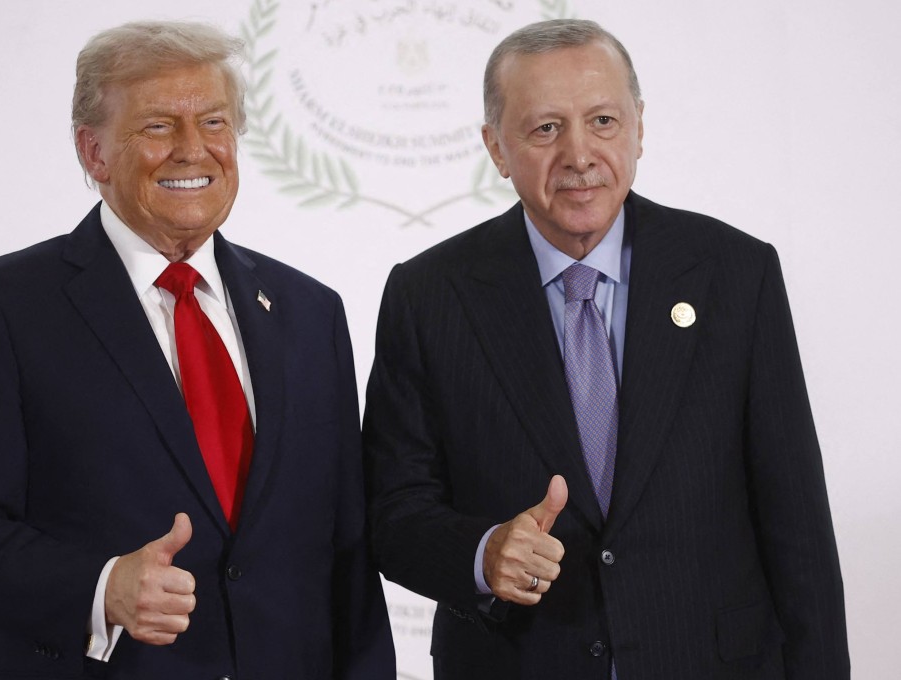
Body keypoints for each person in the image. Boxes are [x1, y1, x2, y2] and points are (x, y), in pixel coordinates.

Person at [0, 20, 394, 680]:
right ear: (95, 152)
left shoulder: (310, 311)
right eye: (159, 126)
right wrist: (101, 588)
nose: (194, 151)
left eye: (215, 123)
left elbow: (347, 554)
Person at [362, 18, 848, 680]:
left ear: (639, 128)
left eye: (603, 121)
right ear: (496, 148)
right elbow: (394, 512)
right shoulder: (429, 295)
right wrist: (480, 553)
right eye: (545, 129)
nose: (580, 154)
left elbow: (798, 528)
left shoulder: (735, 274)